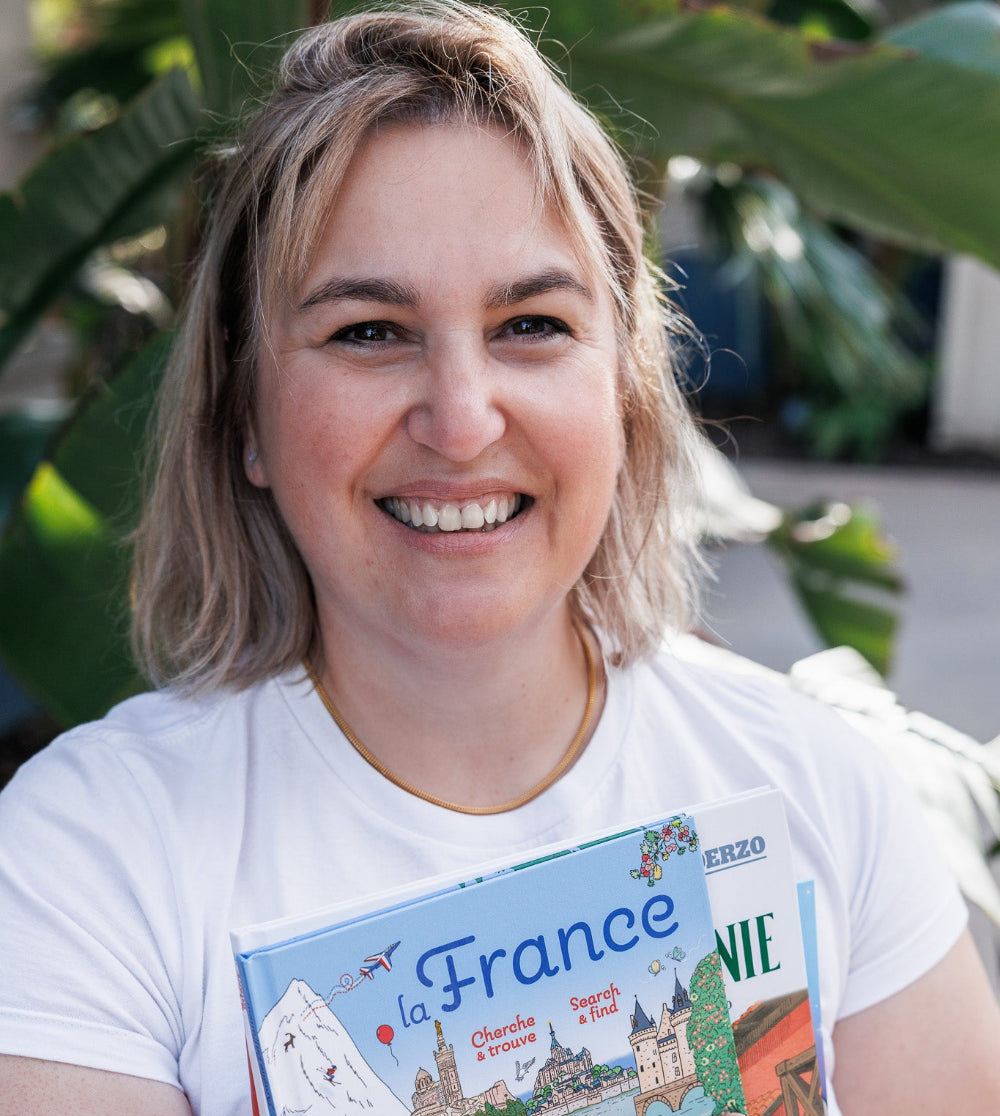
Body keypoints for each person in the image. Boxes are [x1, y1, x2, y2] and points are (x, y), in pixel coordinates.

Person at [1, 3, 998, 1113]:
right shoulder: (84, 861)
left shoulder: (823, 791)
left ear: (622, 386)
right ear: (245, 414)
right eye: (368, 332)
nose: (462, 418)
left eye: (531, 324)